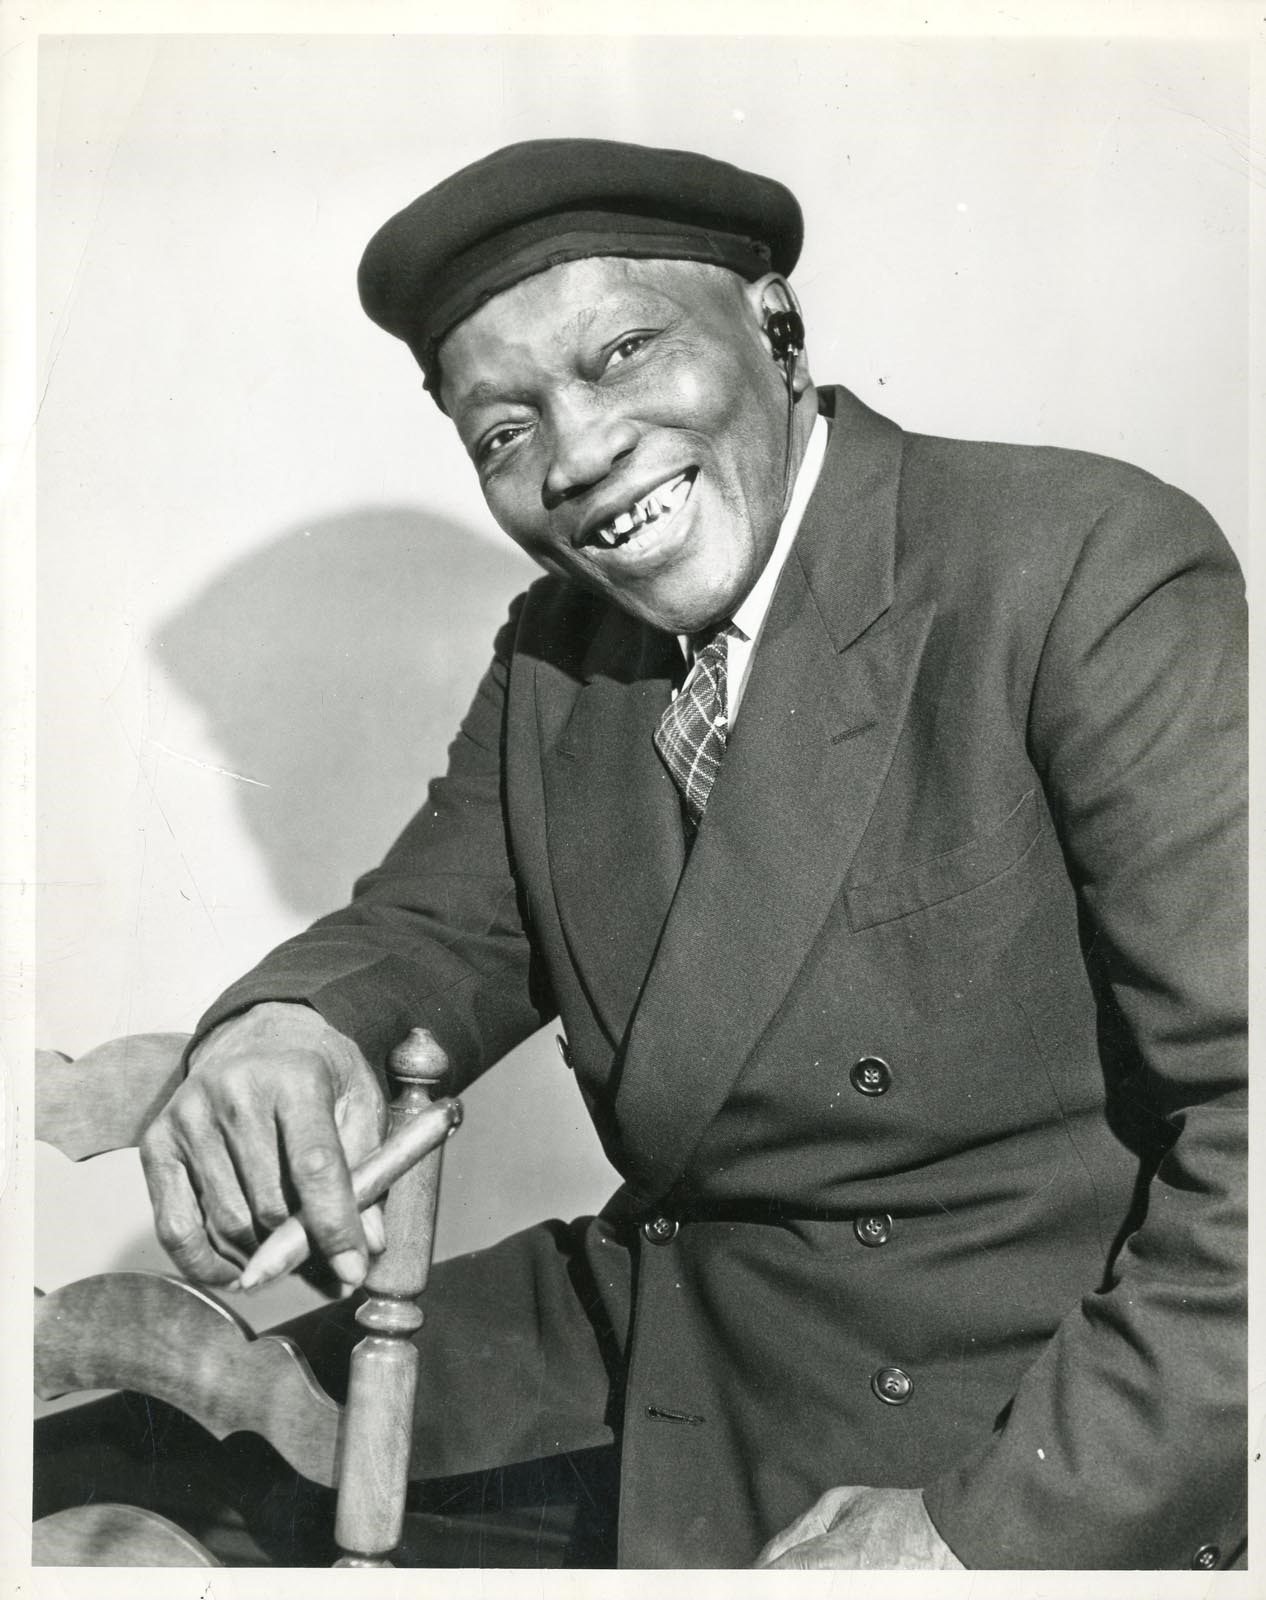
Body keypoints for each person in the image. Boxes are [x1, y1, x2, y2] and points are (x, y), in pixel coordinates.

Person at [113, 138, 1245, 1568]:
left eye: (620, 355)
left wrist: (990, 1536)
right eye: (502, 431)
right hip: (670, 1329)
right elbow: (447, 925)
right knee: (82, 1465)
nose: (576, 457)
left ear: (774, 323)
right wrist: (297, 1023)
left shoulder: (1078, 563)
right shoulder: (559, 654)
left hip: (1002, 1420)